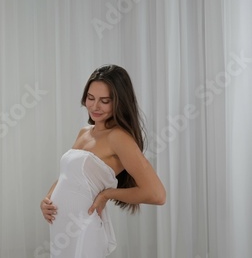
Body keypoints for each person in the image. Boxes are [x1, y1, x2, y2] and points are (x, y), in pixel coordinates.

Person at [40, 64, 166, 257]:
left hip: (84, 228)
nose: (94, 106)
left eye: (104, 101)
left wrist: (106, 194)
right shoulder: (84, 132)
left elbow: (157, 194)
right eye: (90, 98)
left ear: (120, 102)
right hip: (62, 228)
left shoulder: (118, 137)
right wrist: (47, 199)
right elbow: (69, 176)